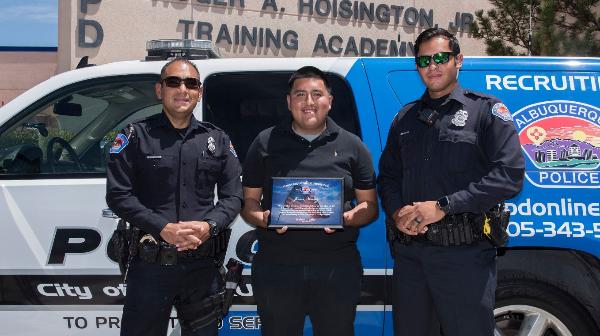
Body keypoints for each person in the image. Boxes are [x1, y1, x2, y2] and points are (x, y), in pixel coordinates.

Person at [378, 28, 525, 336]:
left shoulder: (485, 111)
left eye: (441, 57)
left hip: (464, 258)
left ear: (458, 60)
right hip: (411, 257)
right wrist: (396, 213)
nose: (433, 66)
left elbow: (509, 176)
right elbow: (388, 178)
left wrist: (444, 207)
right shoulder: (404, 119)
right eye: (425, 60)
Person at [106, 58, 242, 336]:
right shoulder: (134, 136)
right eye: (173, 82)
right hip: (151, 267)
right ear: (160, 90)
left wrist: (209, 226)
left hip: (203, 268)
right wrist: (162, 228)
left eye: (191, 83)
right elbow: (118, 195)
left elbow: (233, 196)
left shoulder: (218, 140)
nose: (183, 89)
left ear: (199, 92)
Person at [241, 66, 378, 336]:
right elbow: (249, 204)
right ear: (289, 101)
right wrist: (264, 219)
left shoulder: (353, 145)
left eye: (317, 94)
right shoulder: (264, 142)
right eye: (300, 94)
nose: (309, 102)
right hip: (276, 267)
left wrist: (345, 218)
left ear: (330, 100)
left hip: (336, 268)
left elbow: (370, 207)